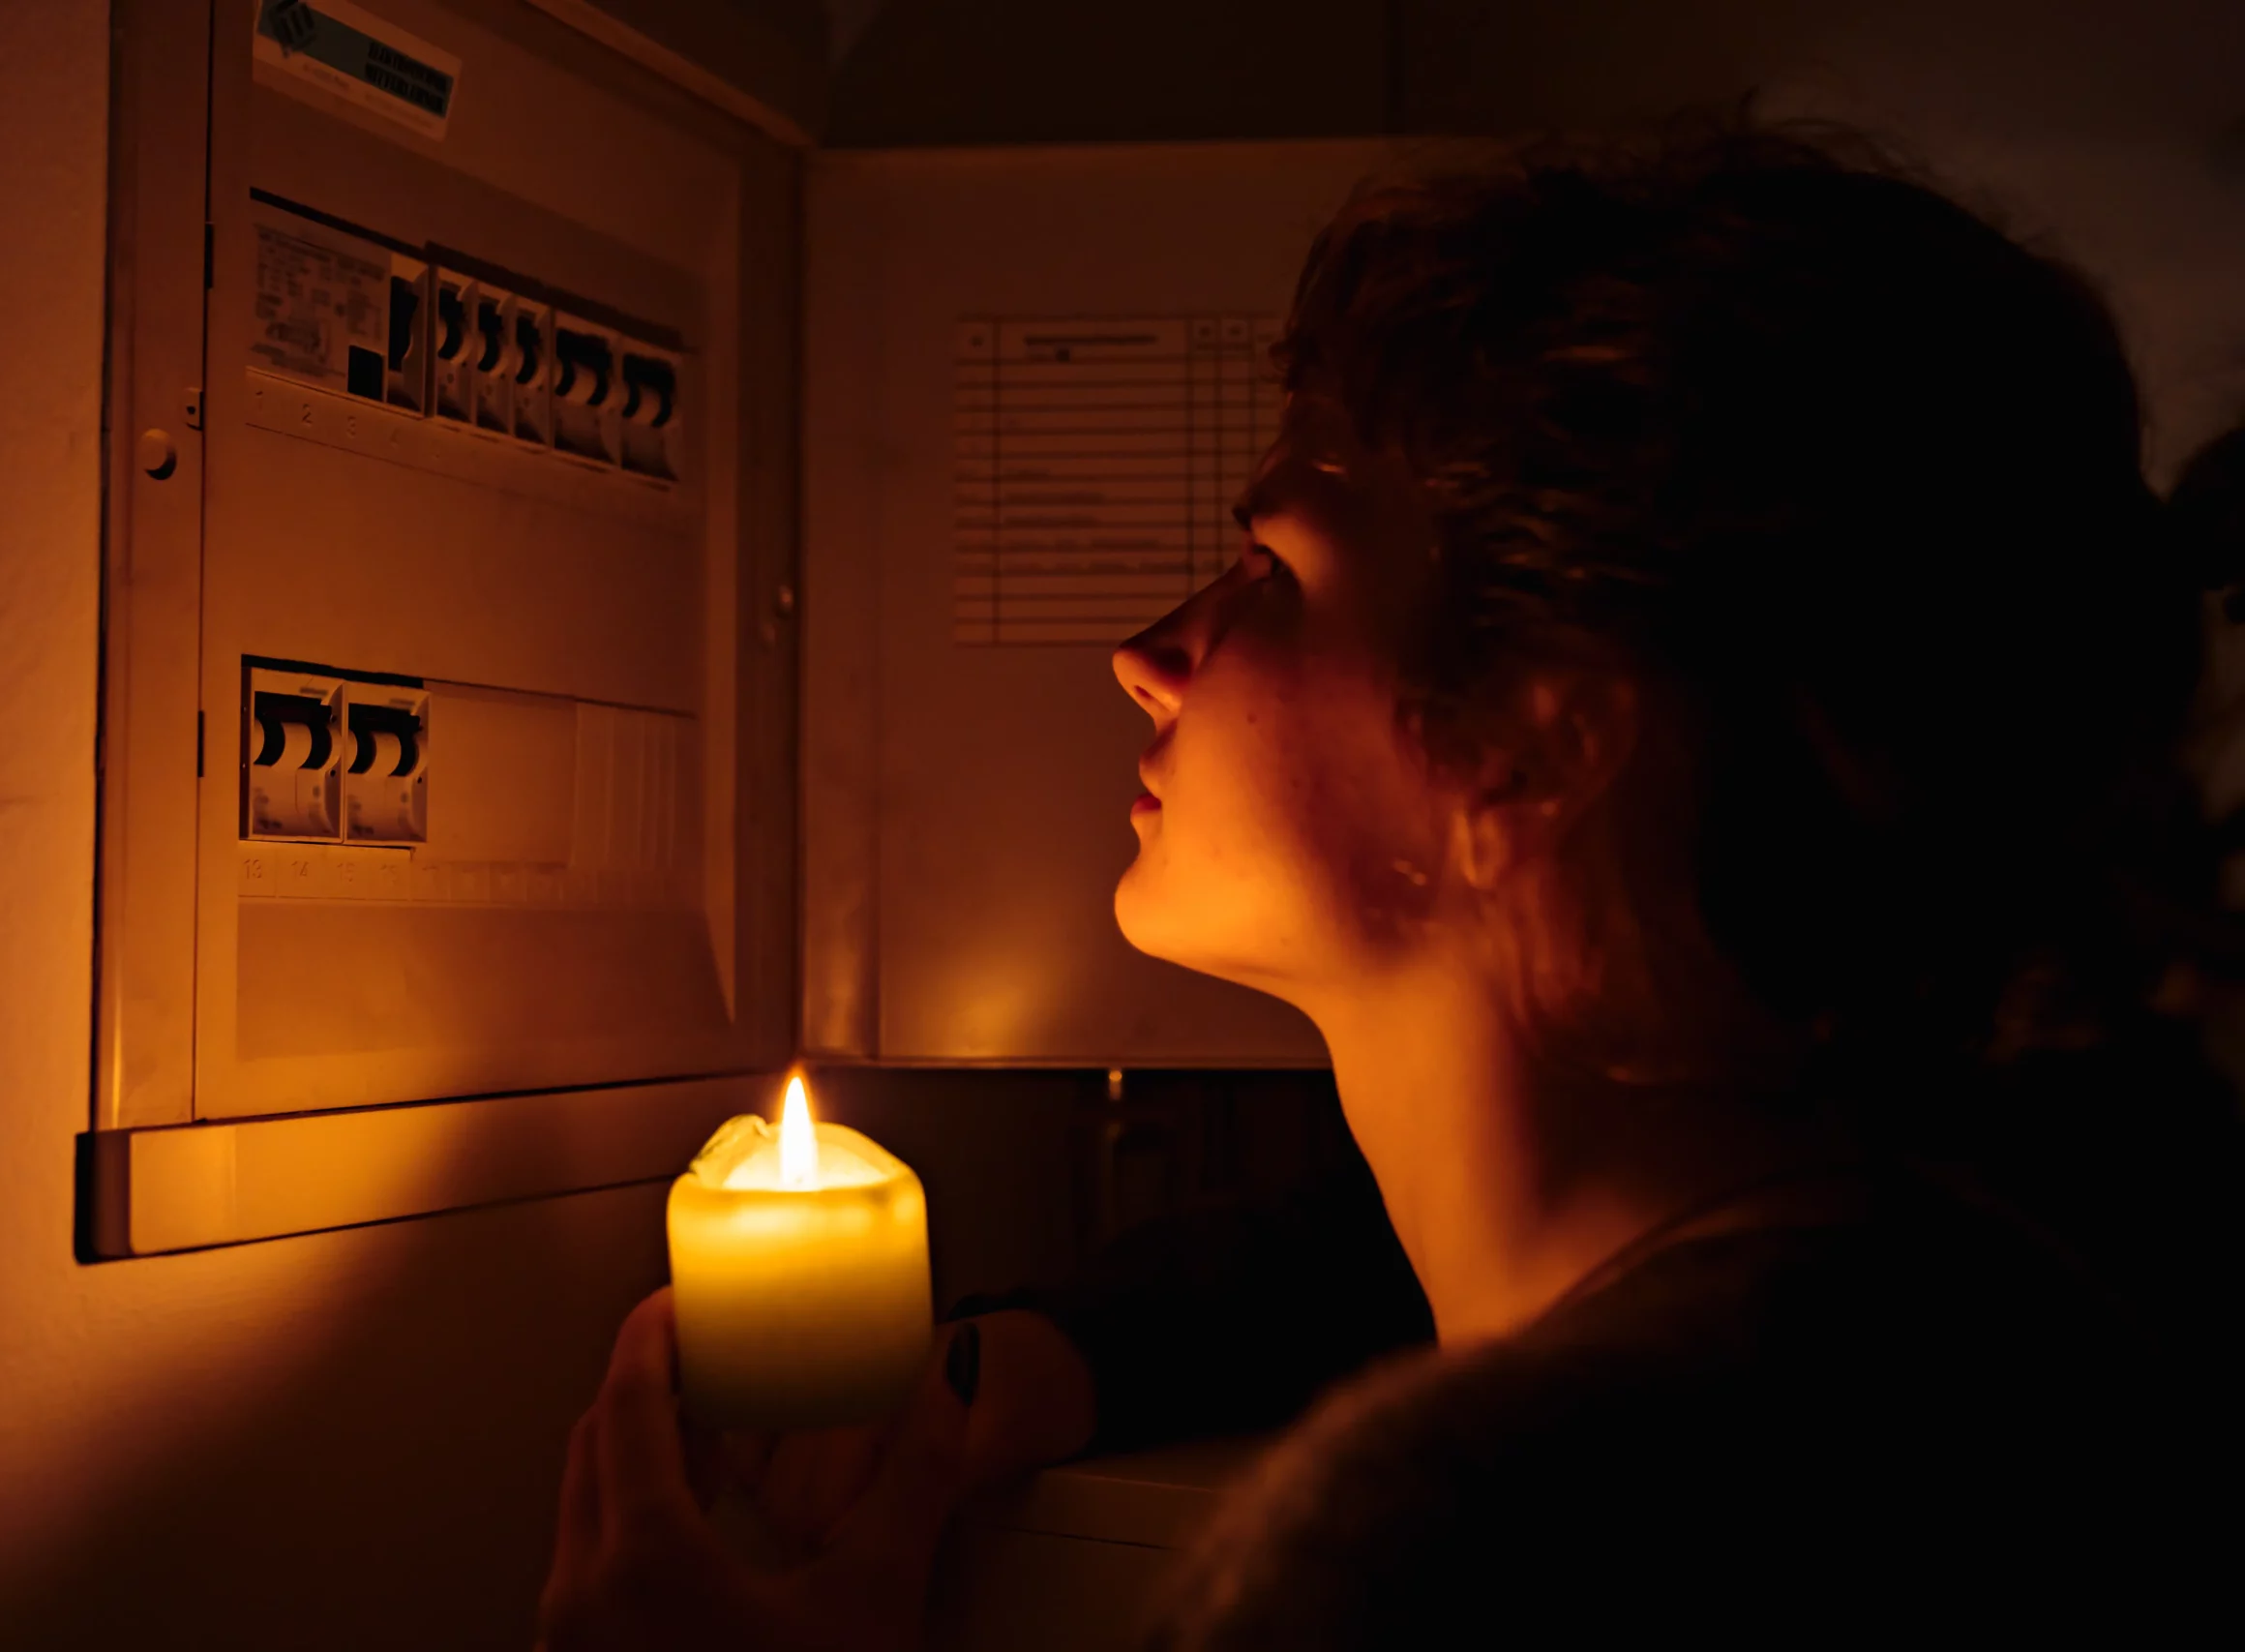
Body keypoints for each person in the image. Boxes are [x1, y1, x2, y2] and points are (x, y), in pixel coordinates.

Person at [536, 121, 2245, 1648]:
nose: (1149, 656)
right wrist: (1050, 1358)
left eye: (1271, 565)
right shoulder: (1987, 1338)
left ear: (1543, 737)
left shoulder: (1465, 1547)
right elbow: (1333, 1269)